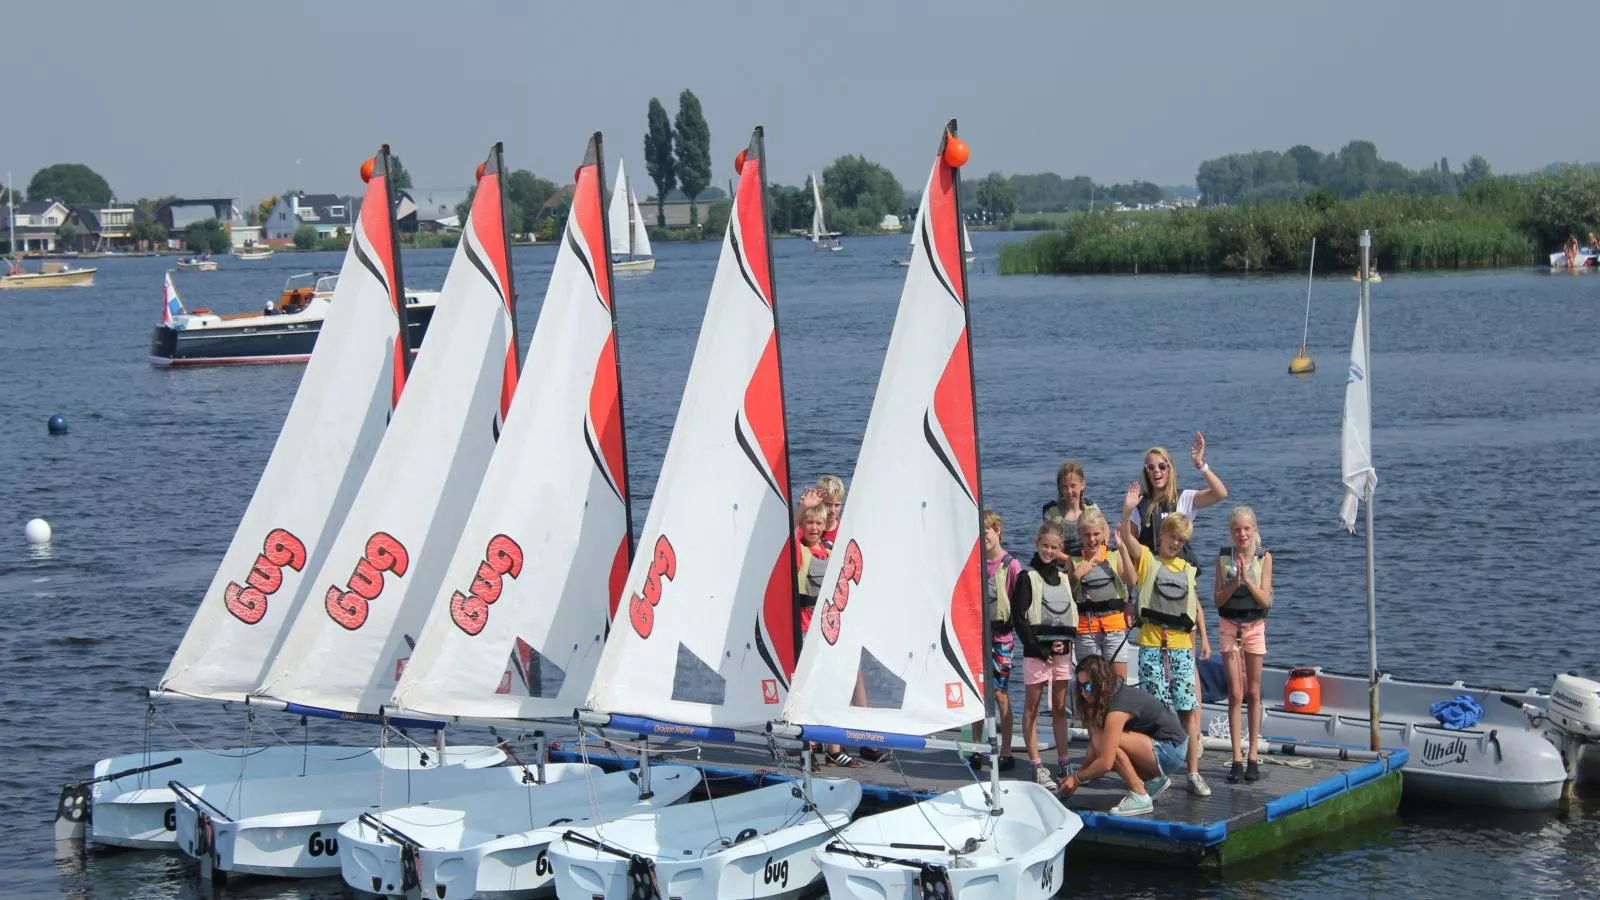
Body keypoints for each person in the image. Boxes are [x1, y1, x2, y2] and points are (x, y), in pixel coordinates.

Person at [1118, 486, 1212, 797]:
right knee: (1154, 709)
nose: (1175, 543)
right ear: (1163, 535)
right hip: (1151, 644)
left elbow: (1194, 605)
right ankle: (1154, 772)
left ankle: (1193, 772)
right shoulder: (1147, 558)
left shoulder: (1188, 569)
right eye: (1172, 537)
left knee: (1188, 708)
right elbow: (1128, 539)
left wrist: (1205, 639)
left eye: (1181, 540)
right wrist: (1127, 509)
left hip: (1182, 647)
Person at [1056, 654, 1188, 817]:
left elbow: (1105, 763)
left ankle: (1140, 795)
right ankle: (1154, 781)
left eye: (1088, 686)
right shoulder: (1109, 694)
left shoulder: (1117, 708)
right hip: (1158, 746)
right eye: (1080, 686)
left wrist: (1076, 778)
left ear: (1101, 683)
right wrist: (1075, 780)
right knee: (1095, 746)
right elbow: (1093, 752)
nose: (1083, 693)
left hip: (1171, 749)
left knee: (1107, 745)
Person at [1010, 522, 1078, 788]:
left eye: (1054, 547)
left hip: (1061, 653)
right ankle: (1037, 765)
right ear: (1037, 545)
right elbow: (1019, 618)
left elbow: (1066, 617)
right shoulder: (1027, 577)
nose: (1049, 551)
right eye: (1045, 546)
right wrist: (1039, 648)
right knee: (1032, 708)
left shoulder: (1063, 579)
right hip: (1036, 653)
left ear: (1060, 550)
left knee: (1060, 708)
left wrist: (1064, 645)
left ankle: (1063, 760)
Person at [794, 504, 862, 771]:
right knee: (807, 690)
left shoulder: (830, 551)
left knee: (833, 687)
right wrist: (802, 509)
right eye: (809, 523)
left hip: (827, 627)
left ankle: (834, 748)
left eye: (818, 524)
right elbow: (789, 535)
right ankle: (807, 746)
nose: (814, 528)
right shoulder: (798, 551)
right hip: (803, 627)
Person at [1215, 506, 1273, 784]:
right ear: (1231, 532)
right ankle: (1236, 757)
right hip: (1229, 627)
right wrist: (1233, 582)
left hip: (1254, 628)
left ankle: (1253, 756)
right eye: (1237, 529)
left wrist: (1247, 579)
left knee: (1253, 691)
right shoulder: (1224, 558)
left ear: (1254, 530)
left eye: (1246, 529)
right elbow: (1217, 600)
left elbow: (1264, 600)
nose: (1242, 534)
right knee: (1235, 693)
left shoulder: (1264, 558)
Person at [970, 508, 1023, 772]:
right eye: (980, 533)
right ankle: (977, 748)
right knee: (978, 694)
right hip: (979, 638)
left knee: (1000, 694)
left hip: (1002, 638)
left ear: (997, 530)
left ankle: (1006, 751)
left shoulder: (1011, 565)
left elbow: (1019, 601)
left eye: (987, 531)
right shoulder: (974, 564)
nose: (984, 537)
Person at [1130, 434, 1228, 574]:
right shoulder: (1138, 504)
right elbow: (1130, 545)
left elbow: (1221, 494)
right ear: (1147, 472)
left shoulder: (1184, 498)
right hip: (1152, 574)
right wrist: (1127, 511)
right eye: (1151, 467)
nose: (1156, 470)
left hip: (1180, 573)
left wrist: (1201, 465)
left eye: (1162, 466)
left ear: (1169, 470)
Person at [1068, 508, 1134, 679]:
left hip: (1114, 627)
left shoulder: (1113, 556)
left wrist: (1124, 550)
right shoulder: (1073, 560)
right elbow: (1068, 594)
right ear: (1079, 534)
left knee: (1119, 683)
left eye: (1096, 534)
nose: (1092, 539)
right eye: (1087, 535)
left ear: (1104, 533)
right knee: (1091, 683)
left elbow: (1132, 581)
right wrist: (1076, 574)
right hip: (1086, 629)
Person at [1041, 460, 1100, 557]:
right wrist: (1071, 562)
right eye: (1065, 487)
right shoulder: (1054, 512)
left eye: (1073, 486)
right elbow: (1049, 547)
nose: (1069, 491)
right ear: (1060, 488)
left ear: (1082, 485)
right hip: (1061, 566)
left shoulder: (1090, 508)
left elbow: (1104, 530)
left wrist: (1101, 550)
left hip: (1089, 561)